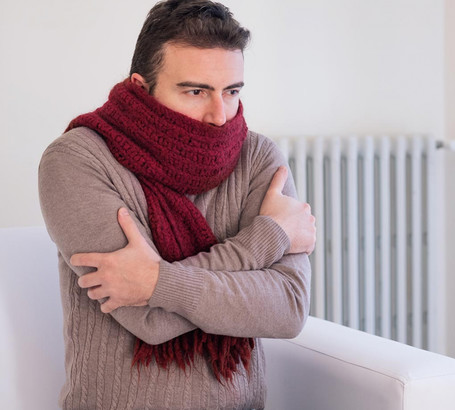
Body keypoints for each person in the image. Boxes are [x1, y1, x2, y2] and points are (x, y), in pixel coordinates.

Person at [38, 1, 315, 408]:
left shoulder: (257, 157)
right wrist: (267, 237)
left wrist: (157, 283)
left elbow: (288, 307)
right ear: (140, 86)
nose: (219, 116)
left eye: (231, 92)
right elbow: (146, 319)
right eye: (196, 91)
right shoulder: (77, 160)